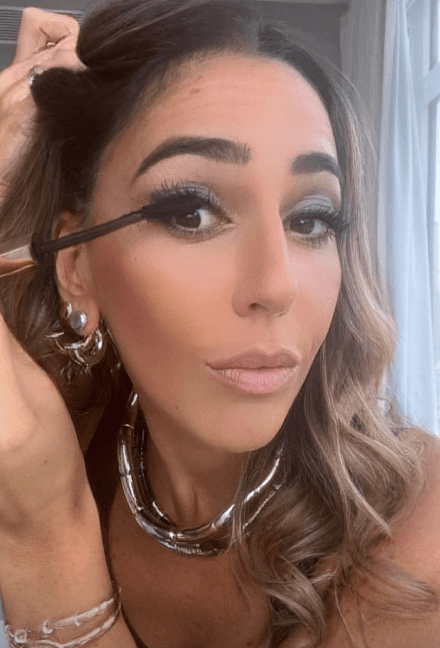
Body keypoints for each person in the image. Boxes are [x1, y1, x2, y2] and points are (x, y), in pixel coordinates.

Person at [0, 1, 439, 647]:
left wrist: (45, 536)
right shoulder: (54, 436)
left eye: (311, 219)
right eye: (192, 212)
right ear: (78, 270)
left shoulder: (416, 515)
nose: (277, 287)